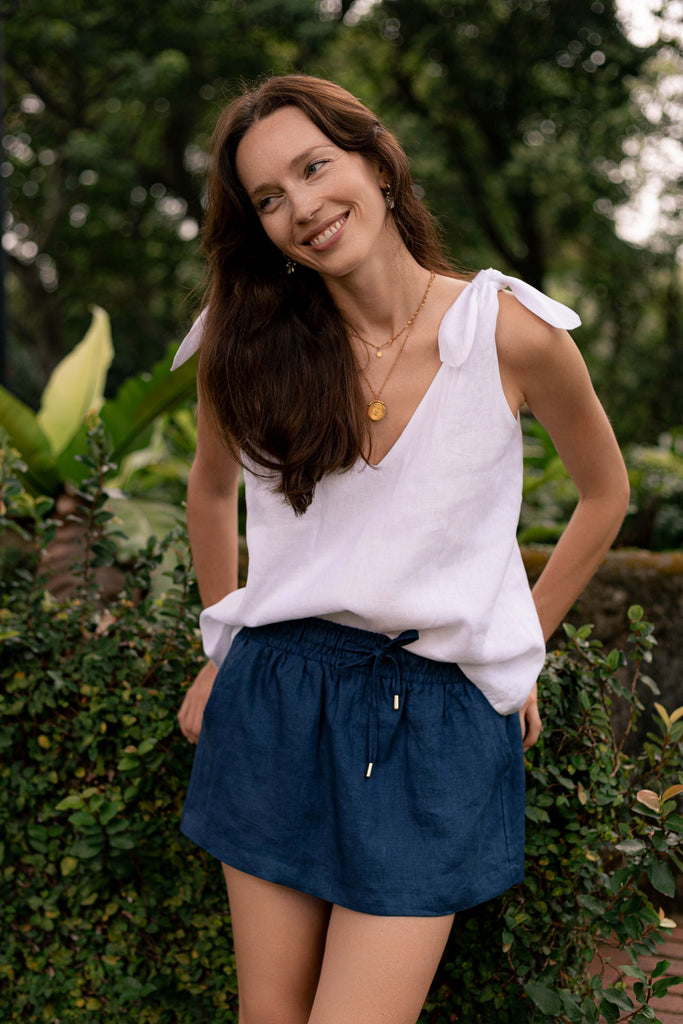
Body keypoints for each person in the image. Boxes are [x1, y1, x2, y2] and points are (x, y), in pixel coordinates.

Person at [174, 74, 629, 1024]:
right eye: (268, 198)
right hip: (275, 693)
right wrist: (221, 648)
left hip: (433, 714)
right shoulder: (246, 342)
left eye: (313, 167)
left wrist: (513, 647)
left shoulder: (511, 332)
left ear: (377, 162)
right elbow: (210, 493)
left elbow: (604, 494)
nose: (301, 207)